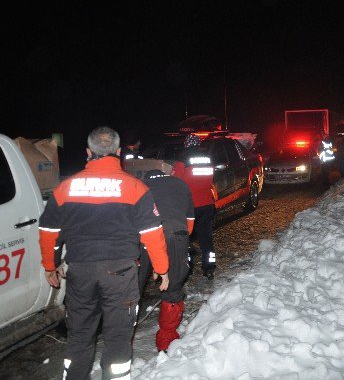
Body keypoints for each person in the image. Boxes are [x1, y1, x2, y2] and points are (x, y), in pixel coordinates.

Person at [38, 126, 169, 380]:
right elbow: (153, 233)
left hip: (80, 272)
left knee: (79, 336)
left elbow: (48, 230)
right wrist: (162, 269)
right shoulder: (135, 188)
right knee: (118, 337)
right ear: (119, 152)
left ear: (88, 152)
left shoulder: (66, 188)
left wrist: (50, 265)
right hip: (120, 275)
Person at [137, 169, 194, 352]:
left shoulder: (139, 185)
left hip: (143, 237)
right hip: (175, 234)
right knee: (173, 288)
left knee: (131, 289)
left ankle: (121, 343)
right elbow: (190, 223)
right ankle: (166, 341)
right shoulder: (181, 184)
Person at [172, 133, 217, 280]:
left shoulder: (183, 158)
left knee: (186, 239)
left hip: (189, 206)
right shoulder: (207, 158)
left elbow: (176, 182)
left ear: (187, 143)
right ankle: (209, 267)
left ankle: (187, 268)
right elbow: (210, 180)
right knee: (206, 238)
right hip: (206, 204)